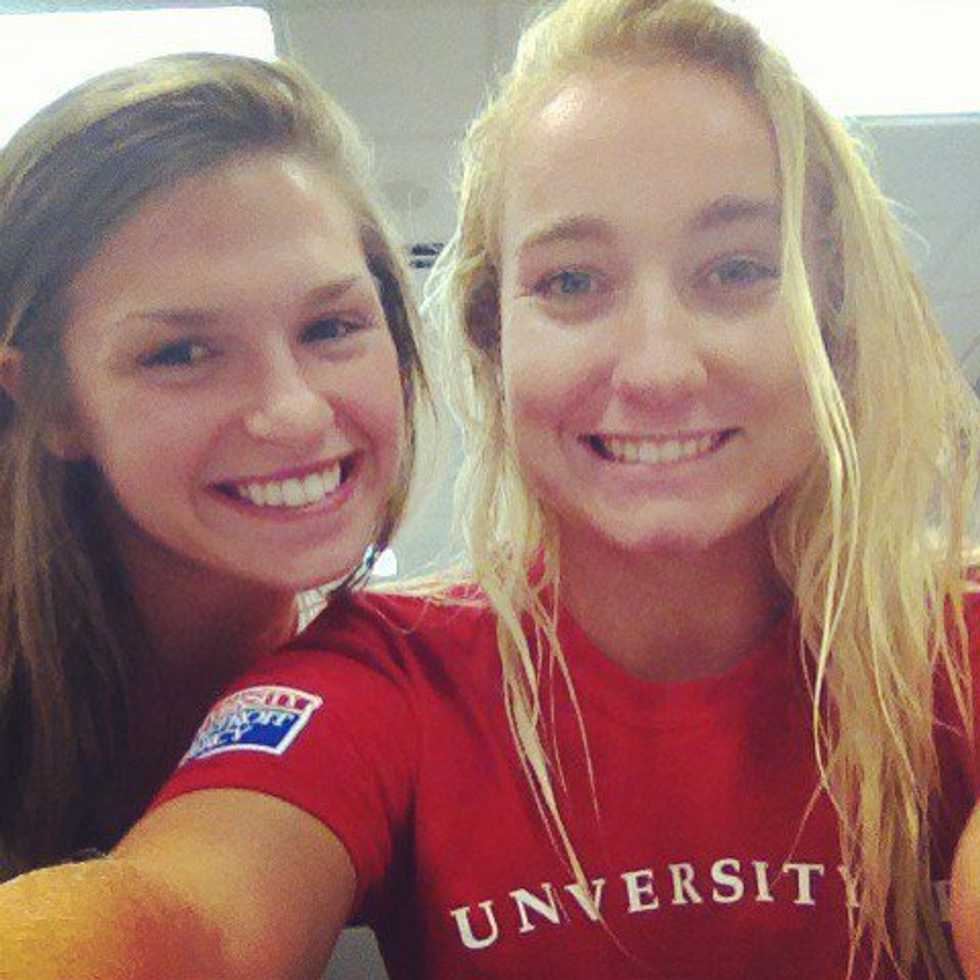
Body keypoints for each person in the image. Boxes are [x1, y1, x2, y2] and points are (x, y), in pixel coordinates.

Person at [1, 1, 979, 978]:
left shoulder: (953, 647)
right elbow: (188, 924)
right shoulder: (382, 673)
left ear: (836, 328)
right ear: (491, 337)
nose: (658, 368)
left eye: (737, 269)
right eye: (571, 282)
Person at [0, 52, 427, 878]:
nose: (295, 411)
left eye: (331, 327)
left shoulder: (425, 693)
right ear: (50, 403)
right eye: (182, 352)